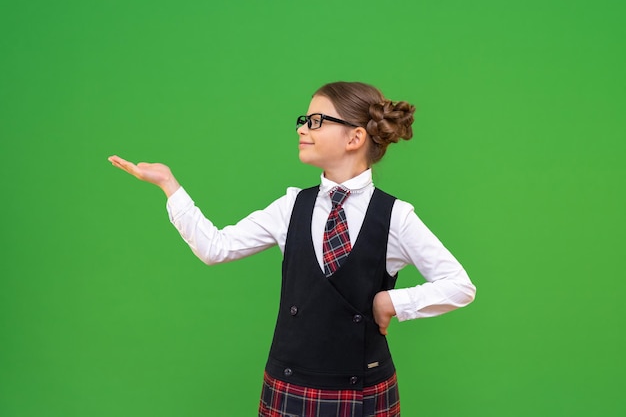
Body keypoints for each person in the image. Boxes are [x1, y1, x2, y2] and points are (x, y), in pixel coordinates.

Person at [108, 81, 476, 417]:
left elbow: (459, 284)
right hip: (290, 386)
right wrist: (171, 187)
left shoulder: (395, 216)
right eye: (304, 120)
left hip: (362, 390)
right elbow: (215, 248)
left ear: (355, 137)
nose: (302, 128)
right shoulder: (290, 207)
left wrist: (393, 303)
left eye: (317, 121)